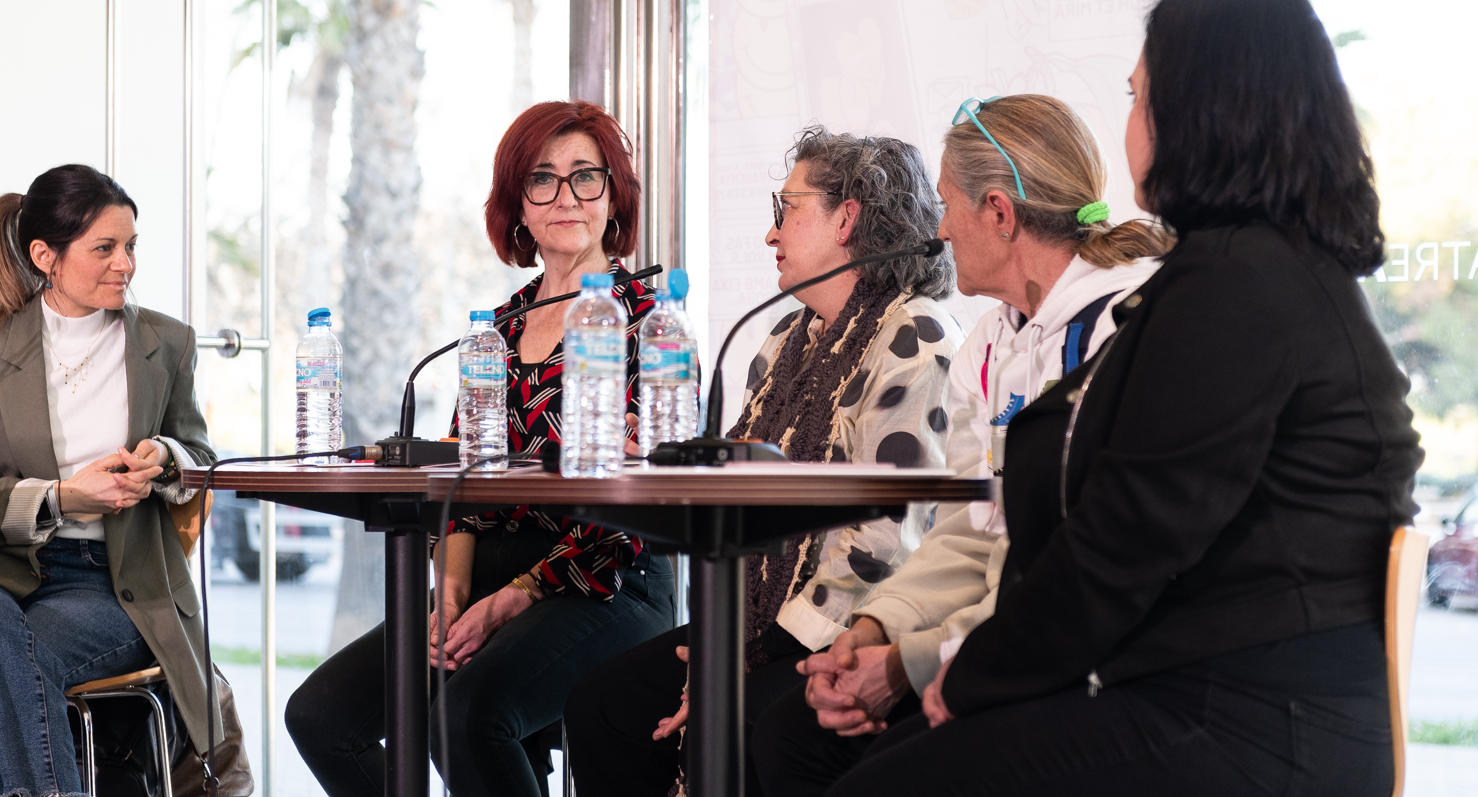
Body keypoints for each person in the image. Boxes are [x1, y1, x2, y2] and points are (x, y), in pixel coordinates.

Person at [815, 0, 1423, 796]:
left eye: (1138, 97)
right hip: (1238, 699)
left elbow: (1120, 545)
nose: (1129, 121)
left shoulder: (1239, 289)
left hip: (1252, 725)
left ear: (1202, 113)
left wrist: (968, 677)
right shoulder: (1259, 269)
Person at [751, 94, 1171, 796]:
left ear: (999, 213)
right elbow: (971, 529)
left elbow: (1066, 564)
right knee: (791, 733)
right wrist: (872, 629)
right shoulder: (989, 343)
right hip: (997, 637)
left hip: (1091, 664)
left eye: (947, 205)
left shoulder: (1118, 327)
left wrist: (912, 663)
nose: (939, 228)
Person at [285, 100, 676, 797]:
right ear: (517, 205)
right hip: (493, 570)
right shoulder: (496, 328)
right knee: (319, 717)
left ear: (613, 195)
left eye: (586, 176)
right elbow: (461, 482)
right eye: (542, 179)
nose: (566, 196)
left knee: (464, 719)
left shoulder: (648, 320)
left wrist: (511, 600)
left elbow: (635, 502)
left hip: (608, 577)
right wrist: (453, 594)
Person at [564, 127, 964, 797]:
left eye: (787, 209)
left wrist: (759, 649)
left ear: (847, 218)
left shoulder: (916, 337)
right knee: (602, 706)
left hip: (852, 625)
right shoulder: (786, 339)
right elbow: (742, 486)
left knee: (739, 722)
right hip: (758, 617)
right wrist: (663, 461)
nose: (770, 234)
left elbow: (890, 537)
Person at [0, 164, 218, 797]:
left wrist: (164, 456)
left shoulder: (166, 343)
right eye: (105, 248)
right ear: (45, 256)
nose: (126, 264)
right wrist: (59, 497)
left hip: (113, 585)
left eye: (131, 246)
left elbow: (201, 457)